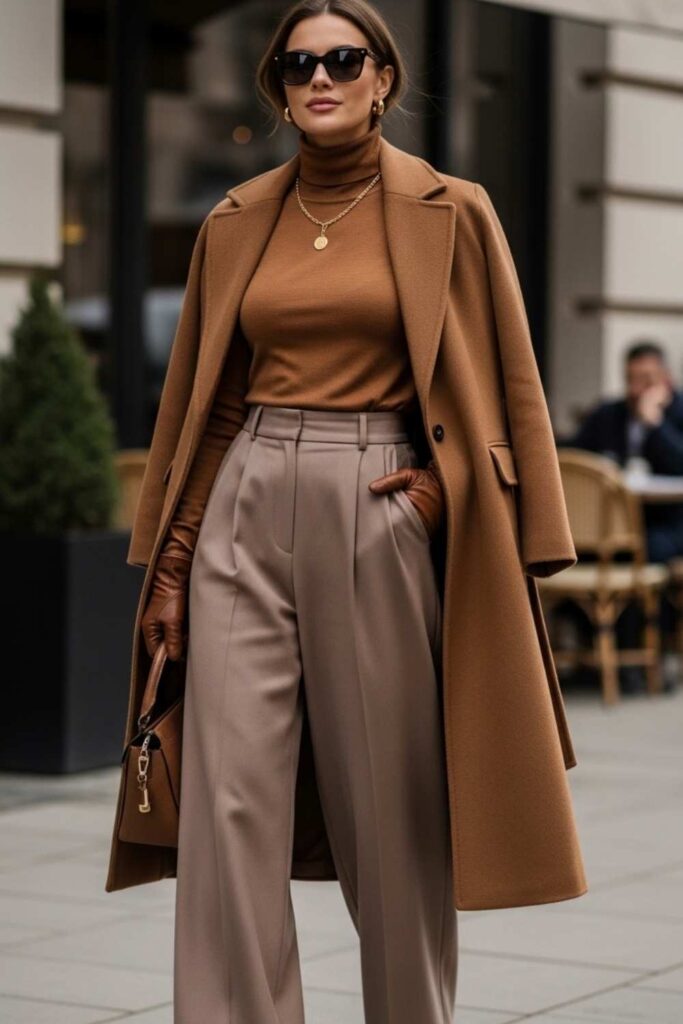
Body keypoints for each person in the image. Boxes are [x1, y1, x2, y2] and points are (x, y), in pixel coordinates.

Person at [112, 1, 586, 1020]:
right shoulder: (236, 218)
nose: (318, 77)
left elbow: (507, 379)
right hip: (243, 503)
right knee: (224, 809)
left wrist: (435, 497)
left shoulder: (451, 209)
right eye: (296, 65)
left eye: (340, 59)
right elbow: (210, 402)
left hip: (377, 506)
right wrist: (174, 565)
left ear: (382, 79)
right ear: (278, 91)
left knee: (392, 812)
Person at [559, 340, 683, 689]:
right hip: (612, 525)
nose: (637, 389)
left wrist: (654, 424)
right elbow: (572, 452)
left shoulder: (678, 412)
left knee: (643, 553)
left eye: (647, 380)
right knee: (577, 552)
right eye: (631, 379)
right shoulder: (609, 414)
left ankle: (639, 660)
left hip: (668, 522)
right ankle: (596, 656)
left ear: (666, 380)